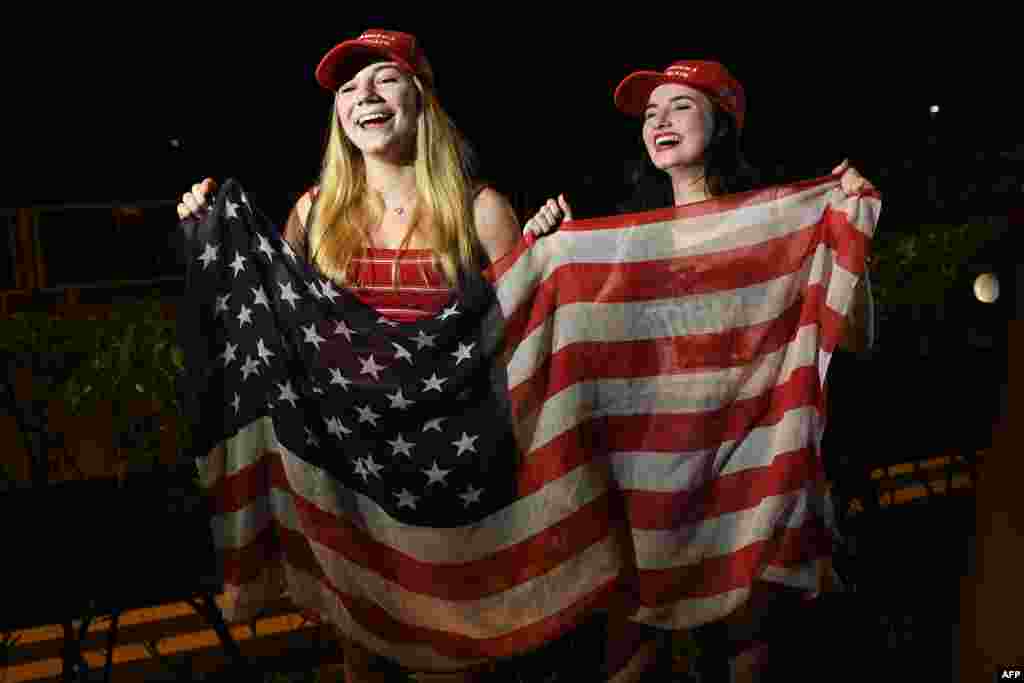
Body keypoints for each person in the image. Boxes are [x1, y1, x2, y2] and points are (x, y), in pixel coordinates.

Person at [177, 29, 533, 683]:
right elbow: (272, 326)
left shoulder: (480, 210)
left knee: (450, 661)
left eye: (384, 79)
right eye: (347, 88)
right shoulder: (313, 213)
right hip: (351, 474)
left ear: (422, 98)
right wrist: (209, 225)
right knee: (362, 657)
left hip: (451, 479)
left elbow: (524, 348)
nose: (364, 95)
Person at [522, 60, 878, 680]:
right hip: (658, 477)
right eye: (650, 113)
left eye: (680, 106)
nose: (659, 121)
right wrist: (550, 252)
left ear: (723, 123)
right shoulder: (625, 240)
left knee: (749, 651)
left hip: (751, 466)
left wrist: (849, 234)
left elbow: (857, 337)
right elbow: (584, 354)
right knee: (642, 658)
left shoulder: (779, 225)